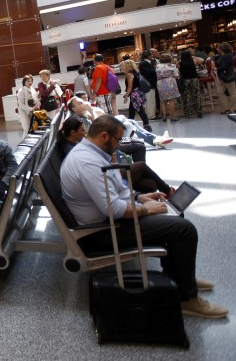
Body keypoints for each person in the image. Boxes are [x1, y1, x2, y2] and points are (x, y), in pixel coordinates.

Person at [60, 115, 227, 318]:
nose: (119, 144)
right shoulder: (88, 163)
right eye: (118, 140)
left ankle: (181, 277)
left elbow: (117, 190)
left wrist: (141, 197)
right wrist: (146, 210)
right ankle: (188, 299)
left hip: (111, 222)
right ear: (104, 136)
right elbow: (112, 208)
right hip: (102, 232)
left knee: (174, 219)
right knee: (185, 230)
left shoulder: (94, 154)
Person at [67, 96, 172, 150]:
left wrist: (90, 111)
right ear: (74, 109)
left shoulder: (82, 114)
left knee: (130, 121)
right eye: (80, 103)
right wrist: (90, 111)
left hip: (102, 132)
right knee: (127, 124)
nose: (84, 103)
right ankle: (156, 140)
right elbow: (97, 127)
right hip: (101, 136)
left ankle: (156, 140)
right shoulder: (79, 119)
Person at [120, 58, 151, 131]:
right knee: (133, 110)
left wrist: (126, 96)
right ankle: (130, 125)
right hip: (139, 92)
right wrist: (127, 95)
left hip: (134, 94)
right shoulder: (136, 72)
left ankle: (145, 125)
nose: (122, 67)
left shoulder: (129, 74)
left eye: (123, 66)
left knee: (139, 110)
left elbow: (130, 86)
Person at [215, 42, 236, 114]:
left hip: (227, 76)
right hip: (227, 76)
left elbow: (224, 66)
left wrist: (216, 69)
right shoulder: (227, 55)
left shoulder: (226, 56)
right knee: (222, 92)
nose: (217, 49)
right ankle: (229, 108)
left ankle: (231, 108)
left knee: (231, 92)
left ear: (222, 49)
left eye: (218, 48)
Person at [155, 53, 181, 122]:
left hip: (160, 83)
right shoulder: (172, 66)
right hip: (170, 82)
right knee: (172, 100)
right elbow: (176, 75)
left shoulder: (158, 66)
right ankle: (172, 117)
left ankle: (164, 117)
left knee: (163, 101)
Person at [179, 50, 203, 119]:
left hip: (185, 80)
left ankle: (188, 113)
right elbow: (202, 60)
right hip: (194, 79)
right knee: (197, 96)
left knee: (186, 97)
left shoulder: (180, 63)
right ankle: (199, 112)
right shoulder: (194, 61)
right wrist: (193, 56)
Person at [139, 50, 160, 120]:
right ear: (148, 56)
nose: (152, 56)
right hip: (149, 84)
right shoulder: (144, 63)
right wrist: (156, 68)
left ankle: (152, 113)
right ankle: (151, 115)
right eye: (151, 55)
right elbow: (149, 72)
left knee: (151, 99)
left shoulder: (145, 63)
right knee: (150, 100)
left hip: (150, 84)